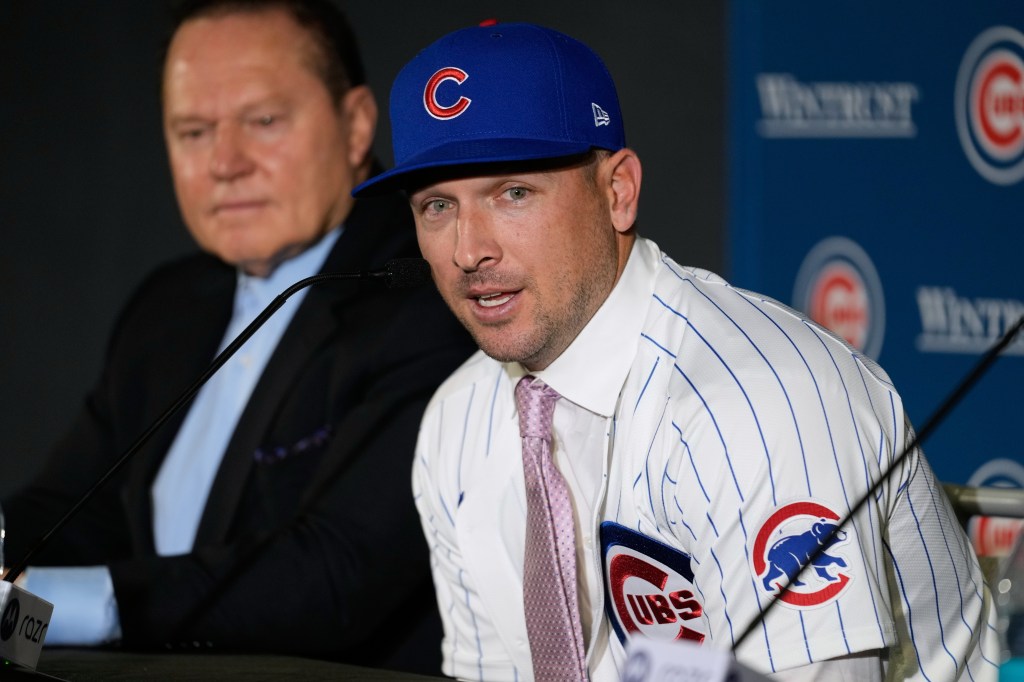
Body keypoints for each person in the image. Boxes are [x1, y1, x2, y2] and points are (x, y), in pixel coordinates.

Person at [352, 21, 1000, 681]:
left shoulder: (759, 404)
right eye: (437, 207)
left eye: (513, 193)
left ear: (618, 192)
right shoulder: (458, 416)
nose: (469, 251)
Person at [1, 0, 473, 672]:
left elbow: (335, 575)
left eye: (264, 121)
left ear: (356, 125)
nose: (225, 163)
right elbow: (72, 508)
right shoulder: (169, 305)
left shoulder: (433, 295)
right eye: (194, 132)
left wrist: (50, 608)